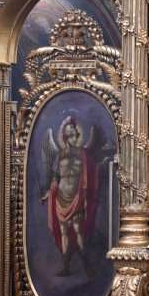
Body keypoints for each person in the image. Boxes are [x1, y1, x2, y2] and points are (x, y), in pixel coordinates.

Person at [42, 116, 103, 277]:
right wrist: (50, 192)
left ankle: (86, 264)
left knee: (78, 230)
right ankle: (66, 266)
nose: (74, 137)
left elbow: (93, 169)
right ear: (65, 137)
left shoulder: (84, 154)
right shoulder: (58, 155)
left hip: (76, 198)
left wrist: (104, 163)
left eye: (76, 134)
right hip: (61, 198)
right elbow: (55, 177)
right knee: (63, 231)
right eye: (71, 135)